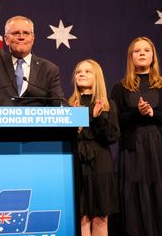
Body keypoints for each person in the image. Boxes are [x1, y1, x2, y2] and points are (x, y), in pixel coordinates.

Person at [110, 37, 162, 236]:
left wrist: (154, 113)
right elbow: (115, 122)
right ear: (131, 57)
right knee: (136, 196)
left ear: (153, 56)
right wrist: (138, 113)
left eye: (146, 50)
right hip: (134, 151)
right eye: (137, 51)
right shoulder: (121, 88)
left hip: (161, 151)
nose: (142, 53)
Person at [69, 59, 120, 236]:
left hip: (100, 165)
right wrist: (86, 119)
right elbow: (69, 138)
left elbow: (111, 137)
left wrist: (97, 117)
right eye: (78, 71)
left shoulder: (108, 105)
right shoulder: (69, 105)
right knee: (82, 217)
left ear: (97, 76)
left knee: (100, 217)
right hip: (78, 165)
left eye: (87, 71)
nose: (81, 74)